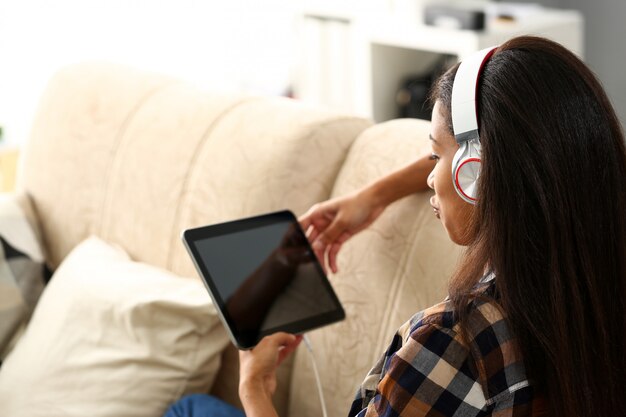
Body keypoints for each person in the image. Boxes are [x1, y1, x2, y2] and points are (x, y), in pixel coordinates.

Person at [165, 36, 626, 417]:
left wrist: (255, 389)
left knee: (191, 408)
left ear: (477, 174)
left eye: (436, 155)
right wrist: (374, 195)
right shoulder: (596, 280)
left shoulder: (452, 343)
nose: (429, 176)